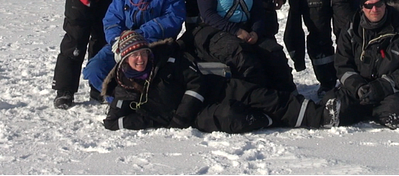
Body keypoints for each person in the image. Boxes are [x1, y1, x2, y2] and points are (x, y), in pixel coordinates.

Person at [102, 30, 340, 132]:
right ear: (124, 61)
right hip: (199, 117)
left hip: (214, 90)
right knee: (232, 117)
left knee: (260, 96)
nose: (141, 59)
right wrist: (151, 120)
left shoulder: (167, 59)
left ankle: (322, 115)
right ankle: (270, 120)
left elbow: (195, 81)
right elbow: (113, 122)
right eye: (134, 56)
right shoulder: (125, 88)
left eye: (143, 52)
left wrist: (180, 114)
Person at [82, 0, 185, 94]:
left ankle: (145, 101)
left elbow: (174, 19)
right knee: (94, 70)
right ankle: (117, 99)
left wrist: (137, 36)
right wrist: (116, 41)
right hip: (123, 43)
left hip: (154, 43)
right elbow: (112, 17)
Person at [322, 0, 399, 129]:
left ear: (385, 4)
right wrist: (358, 87)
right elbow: (342, 65)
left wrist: (382, 87)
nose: (374, 9)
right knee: (329, 108)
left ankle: (370, 110)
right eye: (369, 6)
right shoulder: (351, 30)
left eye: (378, 4)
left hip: (390, 90)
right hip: (358, 90)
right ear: (362, 7)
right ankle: (364, 109)